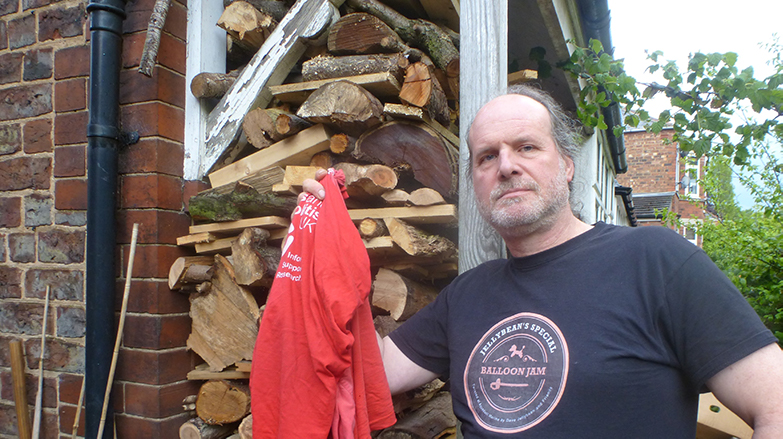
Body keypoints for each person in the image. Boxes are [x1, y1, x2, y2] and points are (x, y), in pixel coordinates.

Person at [301, 84, 783, 437]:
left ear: (567, 166)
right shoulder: (468, 294)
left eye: (527, 147)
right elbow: (366, 373)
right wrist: (316, 251)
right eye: (487, 157)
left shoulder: (656, 261)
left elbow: (775, 405)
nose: (506, 165)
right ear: (476, 183)